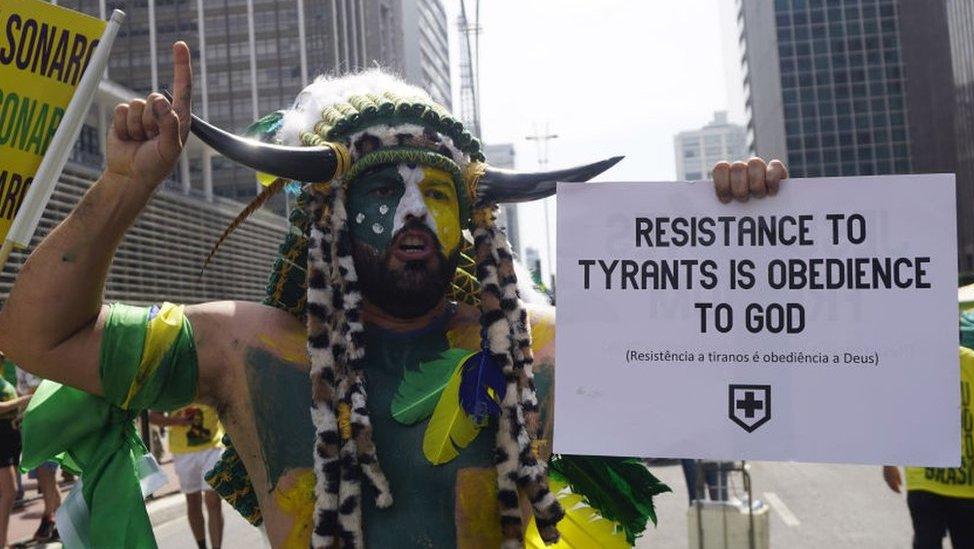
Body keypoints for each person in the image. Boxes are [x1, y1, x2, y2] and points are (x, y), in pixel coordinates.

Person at [0, 42, 787, 548]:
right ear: (331, 213)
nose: (413, 214)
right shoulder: (248, 350)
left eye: (437, 195)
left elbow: (732, 359)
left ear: (472, 216)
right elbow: (40, 335)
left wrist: (743, 228)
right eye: (384, 190)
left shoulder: (532, 350)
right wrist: (120, 189)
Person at [882, 310, 974, 549]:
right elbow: (898, 412)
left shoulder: (971, 363)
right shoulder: (913, 365)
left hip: (968, 486)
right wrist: (889, 460)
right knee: (925, 541)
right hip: (924, 479)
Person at [149, 405, 224, 549]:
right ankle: (202, 546)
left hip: (213, 446)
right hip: (183, 452)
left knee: (213, 500)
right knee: (193, 501)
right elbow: (153, 416)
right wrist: (177, 421)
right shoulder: (170, 384)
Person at [15, 367, 62, 542]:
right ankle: (59, 519)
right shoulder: (21, 357)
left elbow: (38, 387)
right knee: (46, 476)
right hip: (33, 419)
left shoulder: (29, 355)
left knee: (46, 473)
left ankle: (48, 518)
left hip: (43, 418)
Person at [0, 368, 30, 547]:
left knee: (9, 491)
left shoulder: (3, 379)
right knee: (10, 491)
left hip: (10, 436)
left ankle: (4, 540)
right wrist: (23, 400)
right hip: (1, 439)